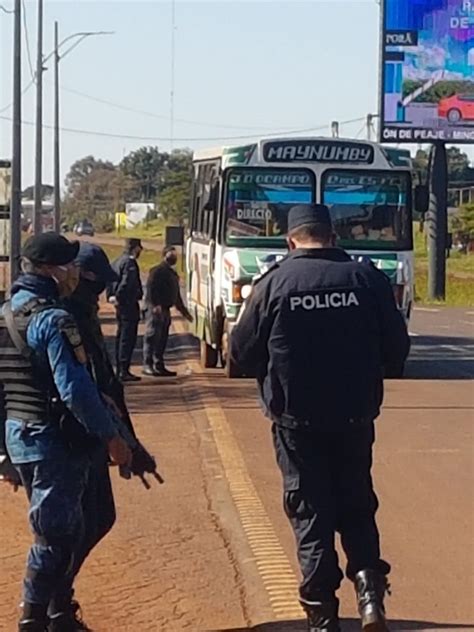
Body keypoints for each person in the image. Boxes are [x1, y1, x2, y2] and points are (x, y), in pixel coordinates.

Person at [230, 204, 410, 632]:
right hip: (355, 417)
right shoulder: (367, 280)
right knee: (357, 505)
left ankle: (322, 616)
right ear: (333, 237)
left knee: (310, 512)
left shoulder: (274, 284)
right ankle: (370, 594)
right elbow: (397, 351)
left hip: (297, 424)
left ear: (290, 241)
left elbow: (240, 353)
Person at [0, 232, 132, 632]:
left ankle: (52, 614)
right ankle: (34, 620)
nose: (75, 272)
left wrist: (2, 452)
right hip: (53, 441)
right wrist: (112, 437)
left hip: (19, 438)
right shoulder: (54, 320)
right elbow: (75, 389)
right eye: (71, 265)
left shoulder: (6, 312)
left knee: (67, 529)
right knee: (55, 537)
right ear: (52, 271)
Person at [142, 246, 192, 377]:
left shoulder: (172, 274)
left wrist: (185, 313)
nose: (174, 257)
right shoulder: (157, 271)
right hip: (155, 309)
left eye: (175, 255)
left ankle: (159, 365)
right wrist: (154, 304)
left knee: (162, 339)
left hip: (165, 309)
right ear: (164, 255)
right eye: (171, 255)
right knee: (152, 337)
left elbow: (176, 297)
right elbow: (151, 288)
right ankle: (147, 365)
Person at [109, 238, 143, 382]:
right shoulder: (129, 263)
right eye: (139, 248)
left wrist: (111, 295)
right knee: (127, 338)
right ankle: (124, 369)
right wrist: (119, 297)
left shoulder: (117, 261)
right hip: (128, 304)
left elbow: (109, 280)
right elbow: (127, 282)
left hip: (120, 304)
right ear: (135, 248)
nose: (140, 251)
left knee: (121, 335)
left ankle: (120, 369)